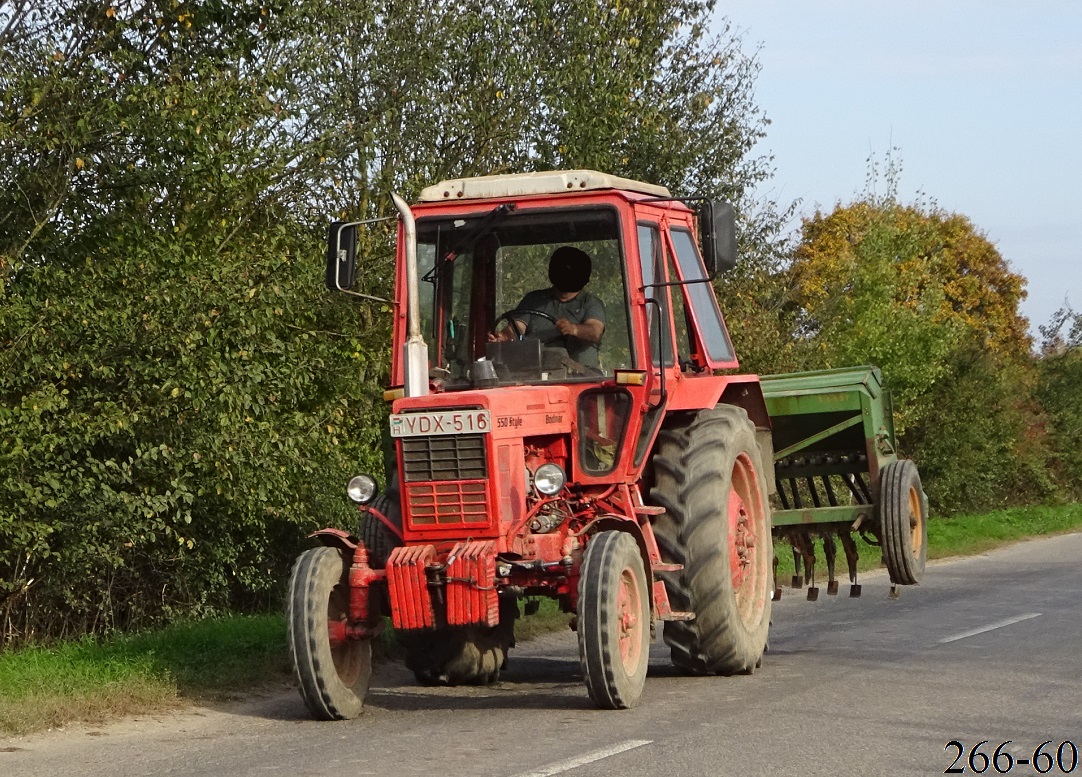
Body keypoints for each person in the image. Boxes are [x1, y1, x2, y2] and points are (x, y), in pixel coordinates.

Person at [489, 246, 606, 369]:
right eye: (562, 269)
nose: (566, 273)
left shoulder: (591, 303)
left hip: (581, 376)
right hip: (534, 374)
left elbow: (595, 331)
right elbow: (516, 328)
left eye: (571, 270)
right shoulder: (533, 299)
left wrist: (574, 329)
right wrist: (505, 336)